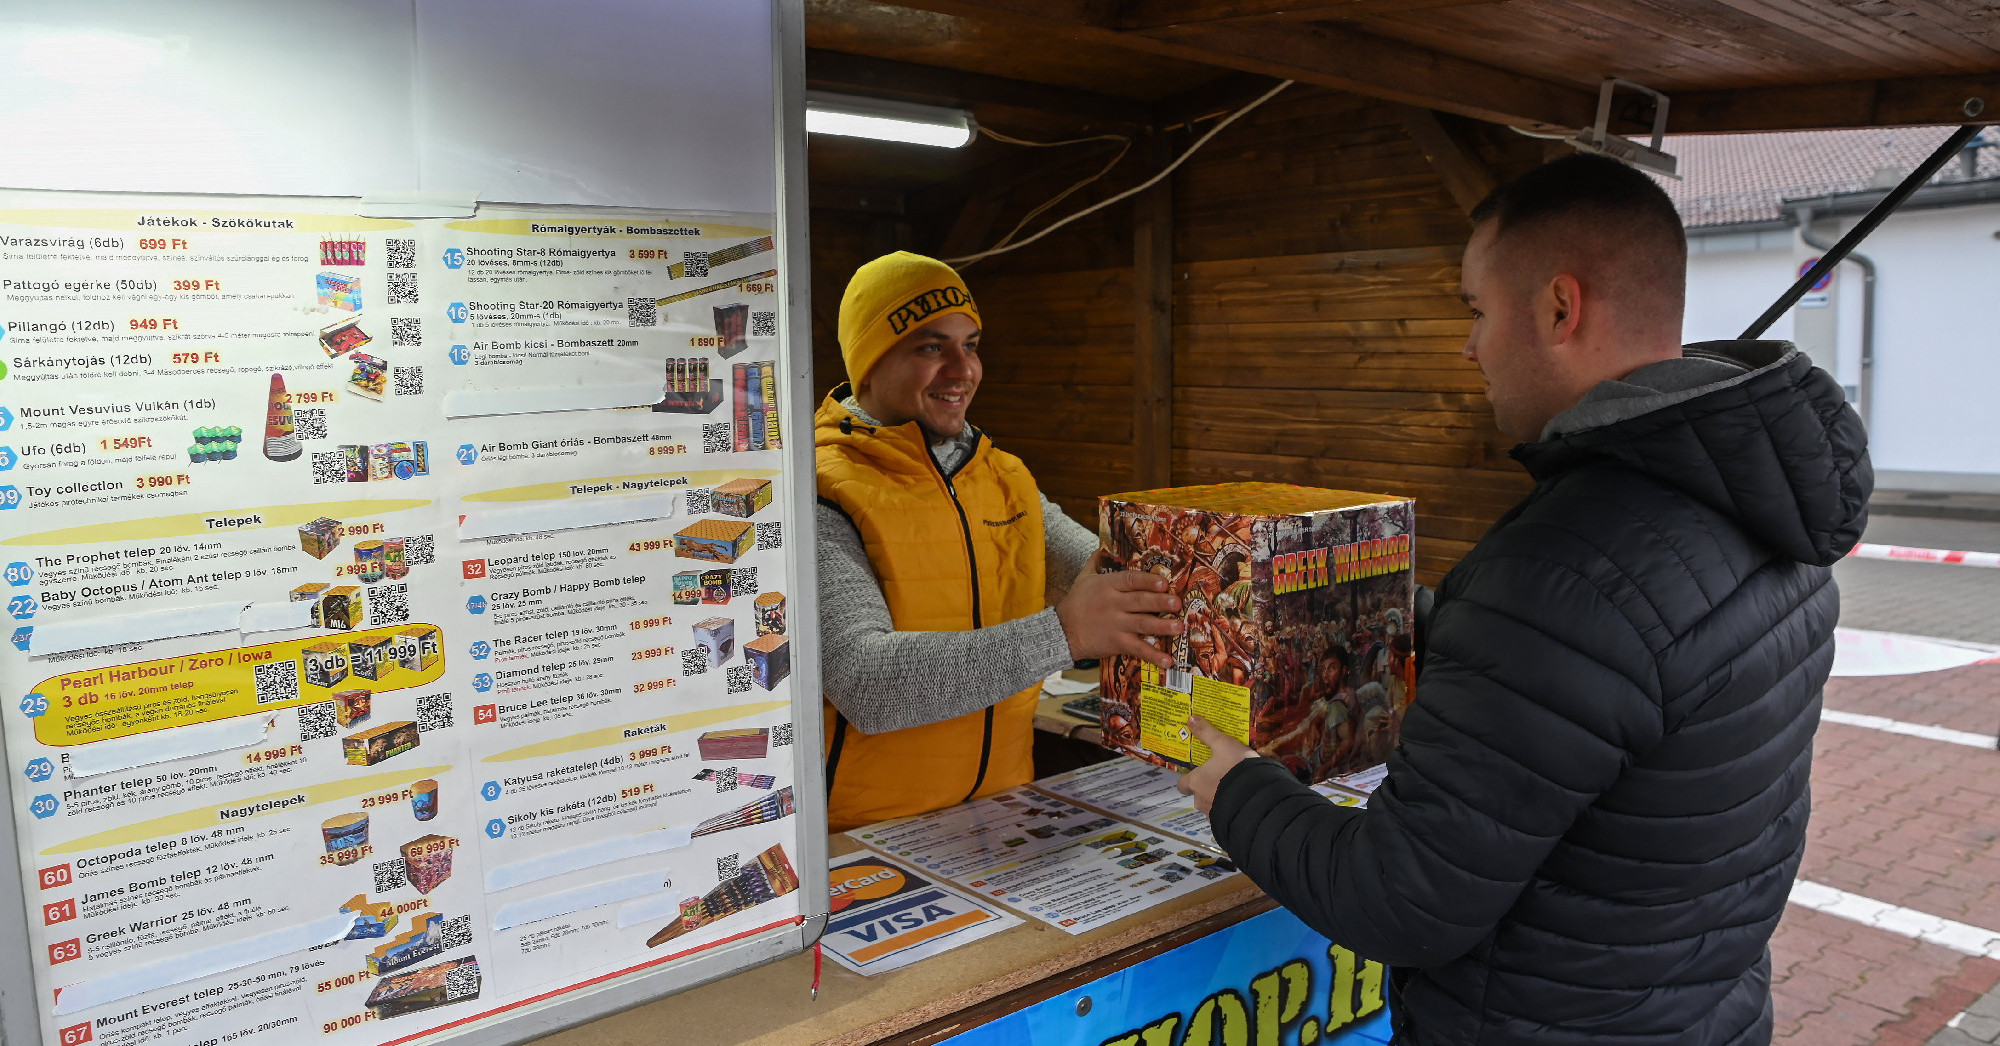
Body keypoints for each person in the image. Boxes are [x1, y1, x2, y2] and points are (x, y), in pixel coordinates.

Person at [1178, 154, 1871, 1045]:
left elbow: (1399, 898)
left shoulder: (1569, 561)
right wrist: (1418, 623)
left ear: (1557, 307)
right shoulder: (1763, 505)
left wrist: (1236, 788)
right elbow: (1609, 683)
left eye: (1475, 310)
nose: (1468, 346)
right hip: (1704, 1013)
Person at [817, 251, 1181, 832]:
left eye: (972, 344)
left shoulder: (1005, 478)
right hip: (865, 836)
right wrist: (1066, 633)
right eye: (931, 346)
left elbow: (1108, 577)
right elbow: (869, 685)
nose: (963, 369)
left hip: (1000, 813)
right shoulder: (822, 491)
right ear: (869, 364)